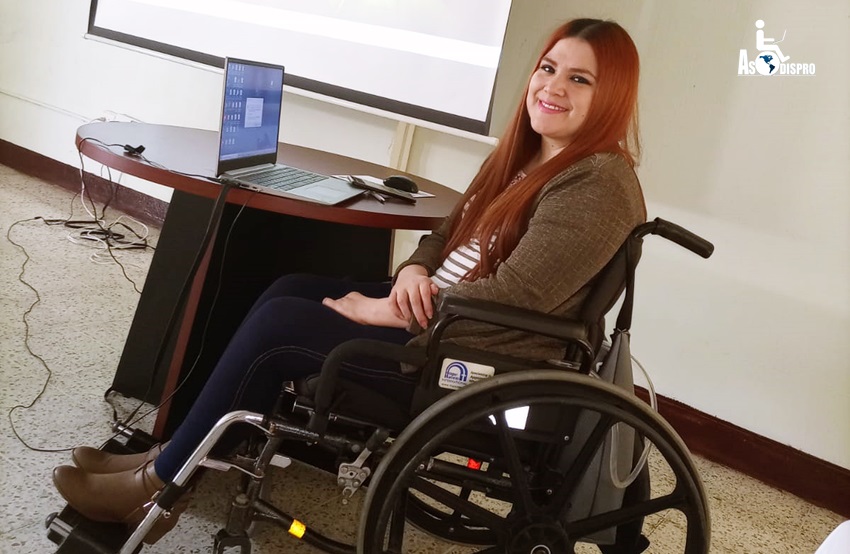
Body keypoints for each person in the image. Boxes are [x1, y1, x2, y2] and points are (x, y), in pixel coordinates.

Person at [52, 17, 647, 546]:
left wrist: (386, 311)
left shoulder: (598, 183)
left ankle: (155, 492)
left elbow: (521, 295)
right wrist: (415, 269)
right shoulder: (529, 156)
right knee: (287, 288)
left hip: (470, 353)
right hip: (436, 315)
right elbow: (448, 233)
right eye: (548, 68)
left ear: (611, 94)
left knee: (281, 329)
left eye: (580, 79)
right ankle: (177, 452)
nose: (552, 87)